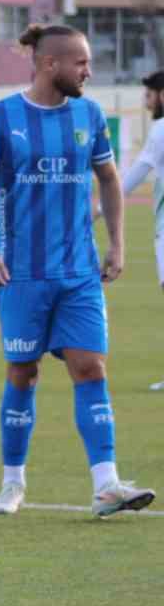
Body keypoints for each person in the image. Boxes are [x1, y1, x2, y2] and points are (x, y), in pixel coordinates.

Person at [0, 23, 153, 518]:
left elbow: (110, 179)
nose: (89, 71)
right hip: (21, 273)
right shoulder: (2, 116)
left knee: (91, 368)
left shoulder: (90, 115)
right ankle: (12, 482)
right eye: (81, 63)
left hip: (79, 272)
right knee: (23, 373)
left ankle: (106, 483)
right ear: (50, 64)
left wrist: (116, 243)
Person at [120, 70, 164, 391]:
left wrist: (101, 208)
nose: (146, 101)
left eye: (149, 94)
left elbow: (137, 173)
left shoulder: (161, 130)